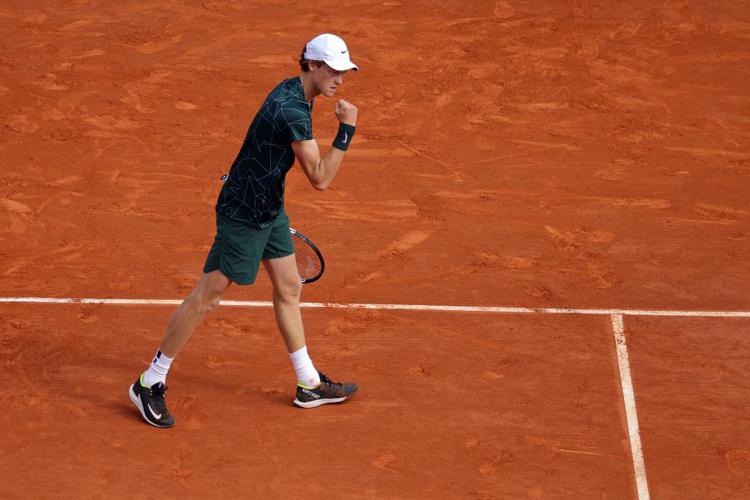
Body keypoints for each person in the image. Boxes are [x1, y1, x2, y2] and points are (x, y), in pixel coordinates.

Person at [129, 33, 360, 428]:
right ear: (314, 66)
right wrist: (346, 131)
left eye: (344, 71)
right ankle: (150, 382)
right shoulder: (292, 110)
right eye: (334, 70)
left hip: (267, 206)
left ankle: (308, 384)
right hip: (245, 214)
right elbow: (320, 178)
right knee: (207, 296)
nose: (340, 78)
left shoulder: (295, 89)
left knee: (289, 286)